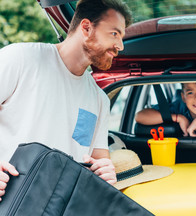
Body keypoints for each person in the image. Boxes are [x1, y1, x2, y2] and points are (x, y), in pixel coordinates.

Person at [0, 0, 132, 201]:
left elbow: (98, 161)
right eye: (114, 34)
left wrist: (105, 172)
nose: (120, 46)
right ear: (86, 28)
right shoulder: (20, 59)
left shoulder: (99, 100)